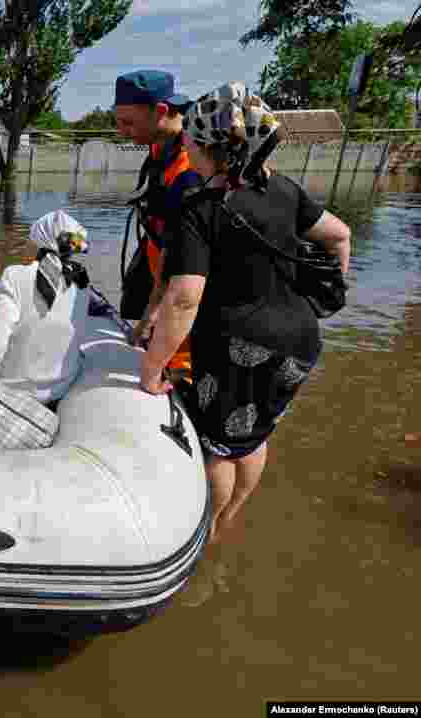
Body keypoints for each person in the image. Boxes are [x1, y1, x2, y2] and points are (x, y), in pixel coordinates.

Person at [138, 82, 351, 543]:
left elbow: (185, 298)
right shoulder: (286, 191)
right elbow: (339, 236)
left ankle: (205, 532)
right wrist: (318, 301)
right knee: (252, 437)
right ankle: (229, 520)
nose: (186, 148)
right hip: (300, 341)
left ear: (209, 147)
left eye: (191, 140)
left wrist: (152, 370)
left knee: (217, 448)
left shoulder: (201, 208)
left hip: (237, 346)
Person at [114, 70, 201, 375]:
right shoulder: (159, 142)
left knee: (177, 361)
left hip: (181, 280)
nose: (122, 131)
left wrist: (154, 310)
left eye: (129, 123)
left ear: (161, 112)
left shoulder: (190, 169)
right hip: (157, 259)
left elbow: (182, 256)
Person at [0, 210, 90, 404]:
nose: (26, 243)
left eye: (30, 238)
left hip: (14, 392)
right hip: (60, 390)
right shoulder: (81, 285)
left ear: (38, 242)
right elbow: (52, 323)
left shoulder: (14, 275)